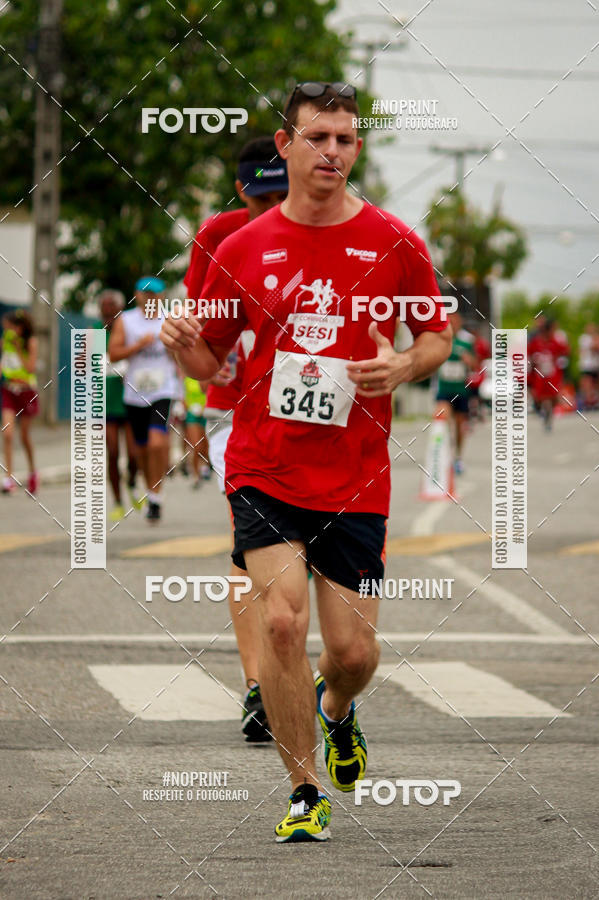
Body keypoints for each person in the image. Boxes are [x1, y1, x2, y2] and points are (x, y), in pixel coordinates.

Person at [161, 82, 451, 842]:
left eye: (346, 140)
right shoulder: (240, 249)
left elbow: (435, 338)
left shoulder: (395, 241)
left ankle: (338, 709)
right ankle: (302, 790)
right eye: (318, 137)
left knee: (352, 652)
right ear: (285, 146)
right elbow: (213, 368)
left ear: (357, 149)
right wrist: (185, 344)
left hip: (356, 473)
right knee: (283, 624)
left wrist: (404, 369)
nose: (332, 152)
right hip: (265, 465)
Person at [185, 136, 288, 742]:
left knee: (313, 556)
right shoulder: (218, 236)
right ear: (240, 192)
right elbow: (204, 329)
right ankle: (258, 689)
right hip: (235, 412)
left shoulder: (329, 224)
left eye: (284, 194)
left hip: (311, 421)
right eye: (262, 198)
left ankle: (313, 673)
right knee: (248, 547)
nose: (273, 208)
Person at [108, 277, 181, 522]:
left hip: (162, 390)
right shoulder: (126, 321)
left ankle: (156, 496)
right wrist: (138, 345)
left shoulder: (170, 319)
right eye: (146, 294)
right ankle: (152, 491)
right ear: (137, 296)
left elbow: (182, 354)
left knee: (156, 443)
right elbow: (113, 353)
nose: (150, 299)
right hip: (134, 392)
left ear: (162, 297)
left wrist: (173, 349)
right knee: (139, 450)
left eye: (155, 295)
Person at [96, 291, 142, 520]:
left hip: (130, 400)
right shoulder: (94, 332)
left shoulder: (128, 330)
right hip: (106, 402)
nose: (107, 309)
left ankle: (132, 481)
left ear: (120, 308)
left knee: (134, 454)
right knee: (112, 451)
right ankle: (116, 501)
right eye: (103, 305)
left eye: (111, 305)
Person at [434, 311, 478, 474]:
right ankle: (442, 455)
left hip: (461, 390)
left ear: (459, 322)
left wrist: (469, 360)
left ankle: (458, 457)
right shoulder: (440, 339)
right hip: (444, 389)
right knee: (443, 421)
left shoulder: (467, 341)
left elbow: (475, 365)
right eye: (449, 321)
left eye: (455, 321)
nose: (452, 324)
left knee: (460, 426)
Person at [1, 309, 39, 495]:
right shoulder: (6, 340)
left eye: (12, 327)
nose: (8, 330)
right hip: (9, 391)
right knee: (7, 433)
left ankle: (33, 471)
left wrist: (18, 348)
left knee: (24, 437)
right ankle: (9, 477)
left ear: (21, 328)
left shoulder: (30, 342)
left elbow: (30, 368)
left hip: (27, 392)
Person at [528, 318, 570, 430]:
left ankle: (549, 412)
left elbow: (565, 351)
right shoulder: (536, 342)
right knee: (540, 397)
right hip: (540, 374)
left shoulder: (554, 341)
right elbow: (529, 354)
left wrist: (558, 359)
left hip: (552, 373)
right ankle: (544, 411)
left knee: (554, 396)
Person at [578, 322, 599, 411]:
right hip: (587, 365)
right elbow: (594, 347)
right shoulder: (584, 338)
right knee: (588, 384)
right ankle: (588, 402)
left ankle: (595, 400)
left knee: (596, 383)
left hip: (596, 364)